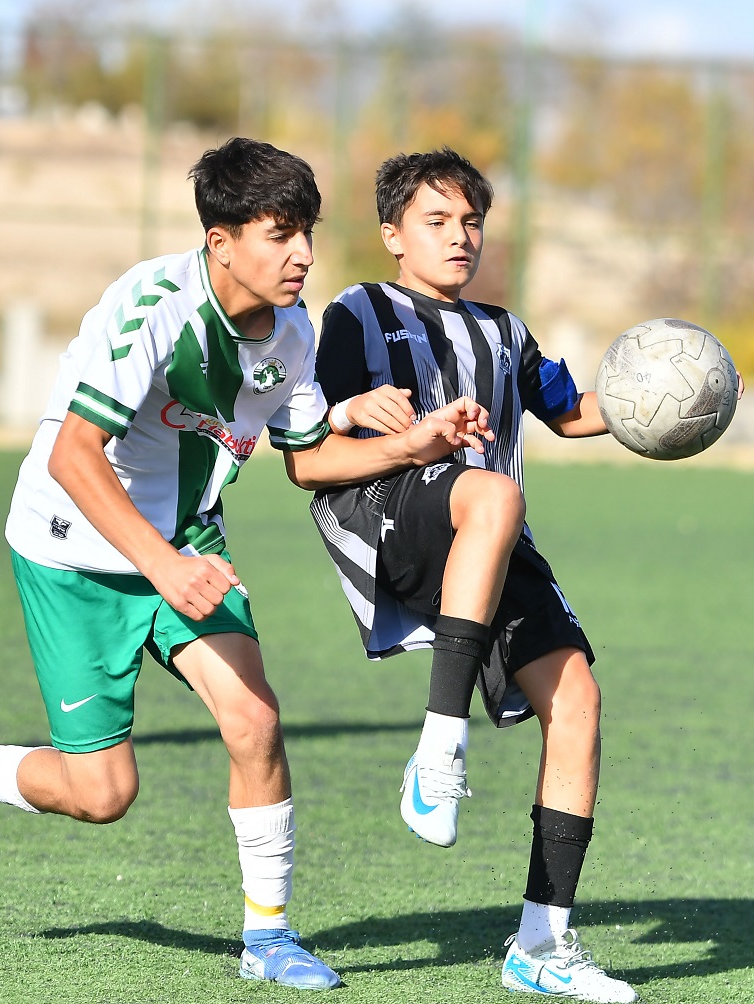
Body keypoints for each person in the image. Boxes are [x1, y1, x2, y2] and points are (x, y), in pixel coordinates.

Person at [0, 137, 490, 992]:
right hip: (73, 546)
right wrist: (163, 567)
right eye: (279, 234)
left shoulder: (293, 334)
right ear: (222, 242)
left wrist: (413, 444)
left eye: (307, 233)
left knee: (254, 723)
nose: (302, 254)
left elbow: (305, 456)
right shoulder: (153, 303)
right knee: (102, 793)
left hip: (185, 542)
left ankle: (268, 937)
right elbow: (75, 455)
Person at [310, 147, 638, 1003]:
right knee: (493, 492)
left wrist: (684, 405)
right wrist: (372, 424)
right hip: (386, 511)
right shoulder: (356, 312)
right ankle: (439, 749)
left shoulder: (504, 329)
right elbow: (307, 460)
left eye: (471, 222)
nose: (461, 238)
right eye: (437, 221)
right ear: (392, 234)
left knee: (578, 701)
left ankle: (543, 943)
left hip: (491, 527)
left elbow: (571, 416)